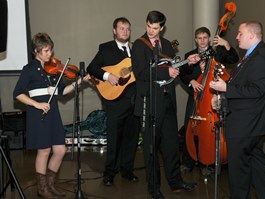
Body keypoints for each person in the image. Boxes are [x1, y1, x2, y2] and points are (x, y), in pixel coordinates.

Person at [131, 10, 200, 199]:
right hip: (150, 101)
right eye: (149, 27)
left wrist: (189, 63)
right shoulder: (139, 45)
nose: (151, 31)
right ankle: (154, 189)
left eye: (155, 28)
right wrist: (165, 73)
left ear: (162, 27)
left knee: (171, 145)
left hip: (168, 100)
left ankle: (176, 182)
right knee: (151, 148)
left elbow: (173, 67)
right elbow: (141, 73)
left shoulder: (168, 44)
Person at [13, 32, 89, 198]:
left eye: (50, 50)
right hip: (38, 113)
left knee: (61, 149)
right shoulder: (29, 69)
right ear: (36, 50)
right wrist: (37, 104)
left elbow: (62, 92)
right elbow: (17, 93)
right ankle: (42, 189)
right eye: (46, 51)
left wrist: (80, 81)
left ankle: (50, 184)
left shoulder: (53, 71)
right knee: (44, 151)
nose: (50, 54)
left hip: (53, 112)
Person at [210, 20, 265, 199]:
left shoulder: (262, 57)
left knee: (239, 174)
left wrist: (226, 89)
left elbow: (257, 90)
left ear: (251, 35)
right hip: (250, 124)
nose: (236, 37)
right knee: (258, 166)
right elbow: (242, 84)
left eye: (240, 33)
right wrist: (223, 95)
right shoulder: (252, 54)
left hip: (247, 125)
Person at [87, 17, 139, 186]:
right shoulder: (105, 49)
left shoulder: (136, 50)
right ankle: (109, 174)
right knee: (114, 139)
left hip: (135, 100)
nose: (125, 31)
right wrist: (108, 76)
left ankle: (127, 171)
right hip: (115, 102)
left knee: (131, 139)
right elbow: (92, 68)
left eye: (128, 29)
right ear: (114, 31)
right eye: (122, 28)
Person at [179, 27, 239, 171]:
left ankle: (209, 162)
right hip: (196, 97)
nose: (202, 41)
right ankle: (188, 161)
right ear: (195, 39)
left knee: (211, 131)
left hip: (212, 99)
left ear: (209, 38)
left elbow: (234, 59)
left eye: (205, 38)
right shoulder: (190, 55)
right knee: (190, 126)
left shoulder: (217, 53)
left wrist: (226, 44)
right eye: (199, 38)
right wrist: (191, 81)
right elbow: (183, 73)